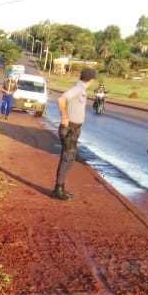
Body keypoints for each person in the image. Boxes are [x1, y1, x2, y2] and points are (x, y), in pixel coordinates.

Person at [52, 67, 99, 201]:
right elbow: (61, 99)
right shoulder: (78, 89)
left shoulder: (80, 88)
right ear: (91, 79)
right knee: (67, 158)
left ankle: (60, 188)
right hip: (70, 128)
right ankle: (58, 189)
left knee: (69, 158)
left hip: (74, 128)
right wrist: (64, 116)